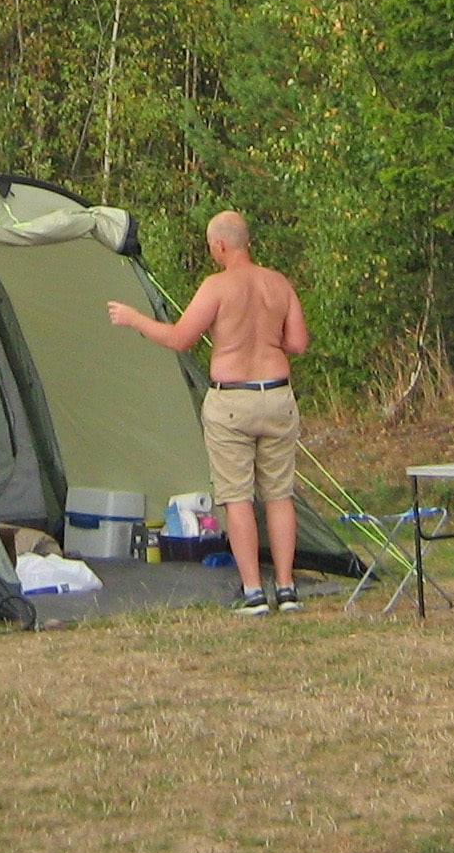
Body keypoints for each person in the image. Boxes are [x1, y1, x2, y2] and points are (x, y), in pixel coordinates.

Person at [106, 210, 309, 614]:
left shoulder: (217, 286)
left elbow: (180, 338)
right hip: (278, 397)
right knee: (279, 495)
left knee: (237, 498)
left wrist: (135, 320)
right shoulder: (278, 283)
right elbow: (298, 343)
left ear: (219, 245)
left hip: (232, 400)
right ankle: (286, 589)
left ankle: (253, 591)